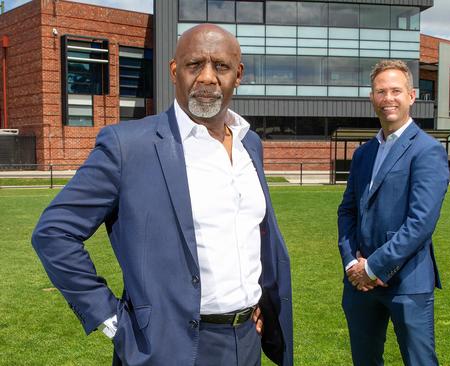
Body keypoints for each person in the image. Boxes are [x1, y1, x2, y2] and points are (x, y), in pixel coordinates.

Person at [32, 24, 292, 366]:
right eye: (194, 65)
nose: (208, 77)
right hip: (168, 349)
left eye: (221, 67)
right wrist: (112, 321)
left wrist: (254, 304)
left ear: (238, 74)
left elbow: (251, 236)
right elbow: (54, 233)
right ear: (174, 71)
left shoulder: (249, 144)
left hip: (246, 340)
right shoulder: (127, 146)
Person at [337, 60, 449, 366]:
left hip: (407, 283)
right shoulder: (363, 153)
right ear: (372, 98)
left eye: (396, 90)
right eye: (381, 91)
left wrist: (372, 267)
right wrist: (351, 264)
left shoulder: (428, 150)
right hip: (359, 284)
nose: (388, 98)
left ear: (412, 96)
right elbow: (347, 211)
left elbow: (420, 224)